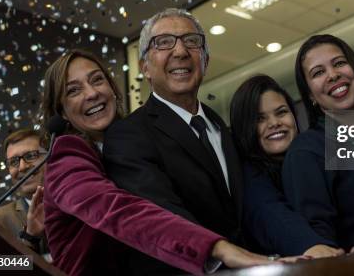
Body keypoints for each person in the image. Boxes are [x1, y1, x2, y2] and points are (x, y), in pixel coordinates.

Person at [41, 49, 270, 275]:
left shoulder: (134, 141)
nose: (91, 93)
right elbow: (117, 210)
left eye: (97, 80)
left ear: (112, 88)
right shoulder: (66, 156)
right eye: (73, 91)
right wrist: (217, 248)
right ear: (61, 112)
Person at [103, 9, 252, 274]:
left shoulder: (222, 127)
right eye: (163, 42)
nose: (181, 51)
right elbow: (164, 219)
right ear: (145, 67)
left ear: (205, 59)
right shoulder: (128, 136)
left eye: (191, 41)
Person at [282, 34, 354, 251]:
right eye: (318, 73)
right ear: (310, 94)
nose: (333, 75)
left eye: (339, 63)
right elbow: (319, 238)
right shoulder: (307, 152)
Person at [230, 74, 343, 258]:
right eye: (260, 119)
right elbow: (271, 214)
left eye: (281, 112)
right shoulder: (247, 175)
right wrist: (313, 248)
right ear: (244, 128)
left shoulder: (317, 155)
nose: (274, 123)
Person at [0, 129, 50, 255]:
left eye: (31, 156)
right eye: (13, 162)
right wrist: (30, 238)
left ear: (51, 157)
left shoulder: (80, 202)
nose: (22, 167)